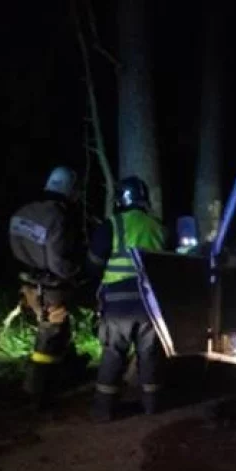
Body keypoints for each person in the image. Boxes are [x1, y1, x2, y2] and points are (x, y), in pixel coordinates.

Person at [86, 175, 164, 422]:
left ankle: (103, 410)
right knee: (149, 354)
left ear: (120, 200)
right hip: (150, 304)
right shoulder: (158, 227)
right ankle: (151, 406)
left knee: (113, 353)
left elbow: (94, 264)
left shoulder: (112, 225)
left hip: (118, 303)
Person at [9, 166, 85, 409]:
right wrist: (78, 274)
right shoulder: (58, 217)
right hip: (51, 287)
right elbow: (58, 262)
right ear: (70, 191)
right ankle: (35, 390)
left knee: (58, 331)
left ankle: (66, 373)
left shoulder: (22, 212)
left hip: (28, 285)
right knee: (50, 334)